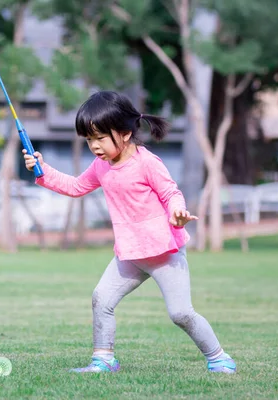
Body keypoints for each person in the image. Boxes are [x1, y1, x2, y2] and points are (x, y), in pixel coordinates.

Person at [22, 91, 236, 374]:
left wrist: (177, 213)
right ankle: (104, 359)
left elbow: (171, 192)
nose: (94, 146)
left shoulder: (147, 163)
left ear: (124, 133)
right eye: (89, 139)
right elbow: (75, 187)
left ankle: (219, 357)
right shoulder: (101, 166)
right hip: (130, 253)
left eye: (99, 138)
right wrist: (43, 170)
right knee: (101, 298)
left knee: (181, 313)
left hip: (164, 252)